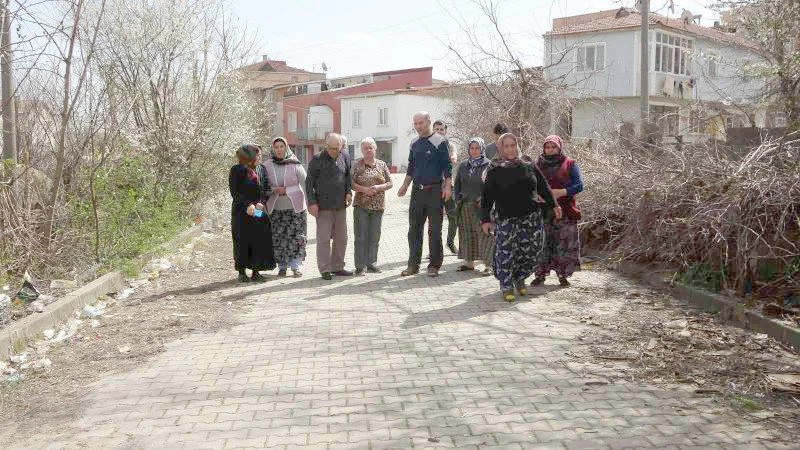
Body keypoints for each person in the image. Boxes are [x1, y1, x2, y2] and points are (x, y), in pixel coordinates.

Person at [481, 133, 561, 302]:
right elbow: (487, 196)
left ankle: (519, 277)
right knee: (506, 252)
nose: (510, 149)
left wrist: (554, 204)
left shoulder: (528, 164)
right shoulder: (494, 169)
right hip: (506, 217)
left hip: (530, 216)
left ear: (517, 145)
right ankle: (506, 284)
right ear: (500, 148)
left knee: (532, 250)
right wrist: (485, 219)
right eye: (506, 146)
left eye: (512, 145)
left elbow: (543, 186)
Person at [397, 111, 453, 277]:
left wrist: (448, 187)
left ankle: (434, 265)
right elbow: (411, 167)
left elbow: (447, 167)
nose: (418, 127)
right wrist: (405, 186)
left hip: (435, 190)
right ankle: (413, 265)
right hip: (417, 191)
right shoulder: (414, 143)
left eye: (421, 123)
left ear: (428, 122)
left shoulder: (440, 141)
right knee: (413, 229)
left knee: (434, 230)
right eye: (415, 124)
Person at [533, 135, 584, 287]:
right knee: (542, 243)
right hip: (543, 211)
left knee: (564, 244)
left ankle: (563, 275)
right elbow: (531, 185)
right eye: (547, 147)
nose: (550, 150)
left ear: (559, 147)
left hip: (565, 211)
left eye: (553, 147)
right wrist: (537, 196)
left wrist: (562, 192)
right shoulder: (537, 165)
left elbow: (579, 185)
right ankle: (540, 274)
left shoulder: (570, 164)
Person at [306, 133, 353, 280]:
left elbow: (347, 177)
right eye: (331, 148)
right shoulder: (317, 159)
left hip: (340, 206)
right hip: (323, 206)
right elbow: (309, 183)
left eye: (337, 148)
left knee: (341, 238)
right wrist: (312, 203)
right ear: (326, 146)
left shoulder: (344, 156)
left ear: (341, 147)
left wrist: (348, 192)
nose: (334, 151)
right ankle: (325, 269)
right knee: (323, 239)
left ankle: (338, 267)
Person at [229, 144, 276, 282]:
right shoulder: (237, 170)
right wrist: (247, 205)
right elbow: (235, 192)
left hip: (258, 210)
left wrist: (261, 202)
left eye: (260, 155)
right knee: (242, 239)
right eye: (257, 155)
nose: (259, 157)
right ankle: (242, 272)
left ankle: (256, 270)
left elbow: (266, 189)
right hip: (241, 211)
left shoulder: (261, 169)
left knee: (259, 237)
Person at [264, 137, 307, 278]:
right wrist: (275, 189)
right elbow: (264, 186)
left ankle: (296, 266)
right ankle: (282, 267)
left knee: (296, 237)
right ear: (273, 149)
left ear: (286, 147)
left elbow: (305, 184)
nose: (279, 149)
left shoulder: (295, 163)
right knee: (279, 238)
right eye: (276, 147)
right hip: (276, 208)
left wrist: (311, 204)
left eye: (282, 146)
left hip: (295, 208)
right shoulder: (267, 165)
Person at [351, 137, 394, 275]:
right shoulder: (356, 165)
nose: (369, 150)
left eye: (371, 147)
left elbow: (390, 183)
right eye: (366, 148)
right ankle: (360, 266)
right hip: (361, 206)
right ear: (362, 150)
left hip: (378, 206)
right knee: (361, 236)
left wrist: (379, 187)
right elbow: (350, 183)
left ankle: (372, 264)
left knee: (374, 236)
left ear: (375, 149)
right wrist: (364, 189)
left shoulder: (382, 164)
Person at [453, 137, 493, 275]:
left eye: (477, 148)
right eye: (472, 148)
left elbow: (492, 185)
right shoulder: (464, 165)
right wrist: (457, 198)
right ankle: (468, 262)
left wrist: (486, 198)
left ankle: (489, 264)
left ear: (482, 149)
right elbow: (457, 183)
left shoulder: (489, 165)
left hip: (481, 205)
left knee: (485, 233)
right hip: (465, 204)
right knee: (466, 233)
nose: (474, 151)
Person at [433, 119, 459, 255]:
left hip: (449, 186)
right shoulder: (429, 145)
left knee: (453, 216)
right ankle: (435, 248)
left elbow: (453, 159)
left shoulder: (451, 145)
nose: (439, 132)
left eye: (441, 129)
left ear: (445, 131)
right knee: (435, 219)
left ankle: (450, 242)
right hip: (434, 187)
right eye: (436, 129)